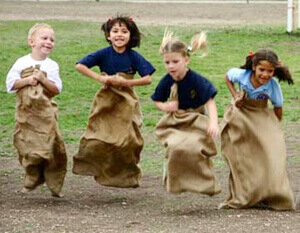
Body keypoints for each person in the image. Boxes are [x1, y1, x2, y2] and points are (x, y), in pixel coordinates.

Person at [72, 16, 155, 188]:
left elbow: (148, 78)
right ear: (108, 35)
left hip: (127, 101)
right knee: (98, 136)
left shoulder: (133, 56)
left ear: (130, 36)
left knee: (130, 140)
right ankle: (95, 166)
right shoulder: (103, 54)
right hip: (106, 101)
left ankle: (127, 176)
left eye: (124, 31)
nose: (119, 35)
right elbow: (80, 65)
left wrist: (126, 82)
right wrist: (100, 78)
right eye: (115, 31)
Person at [219, 49, 295, 210]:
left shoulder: (272, 86)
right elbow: (228, 76)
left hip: (261, 115)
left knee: (268, 154)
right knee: (242, 154)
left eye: (270, 71)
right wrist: (235, 95)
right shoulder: (242, 75)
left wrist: (274, 129)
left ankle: (271, 193)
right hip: (241, 114)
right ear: (254, 67)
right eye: (262, 70)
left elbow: (278, 108)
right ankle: (245, 193)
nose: (265, 75)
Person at [151, 30, 221, 195]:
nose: (171, 66)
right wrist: (166, 107)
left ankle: (205, 183)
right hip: (175, 121)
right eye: (167, 62)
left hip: (196, 119)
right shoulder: (167, 80)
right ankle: (175, 181)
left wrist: (213, 122)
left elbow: (209, 101)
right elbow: (157, 99)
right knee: (176, 147)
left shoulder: (196, 80)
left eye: (175, 61)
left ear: (186, 60)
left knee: (195, 147)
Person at [6, 23, 67, 197]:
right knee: (27, 145)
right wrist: (27, 81)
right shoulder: (22, 62)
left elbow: (56, 89)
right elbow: (10, 84)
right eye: (44, 38)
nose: (49, 42)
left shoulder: (52, 65)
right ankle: (33, 174)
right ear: (31, 42)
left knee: (50, 147)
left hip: (46, 113)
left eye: (52, 39)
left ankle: (54, 181)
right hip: (26, 113)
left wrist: (43, 79)